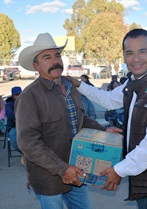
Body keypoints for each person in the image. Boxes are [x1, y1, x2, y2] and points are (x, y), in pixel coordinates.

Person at [73, 29, 147, 208]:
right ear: (124, 57)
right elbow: (109, 100)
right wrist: (79, 85)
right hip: (142, 169)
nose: (136, 59)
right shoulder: (134, 82)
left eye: (142, 51)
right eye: (129, 53)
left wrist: (119, 170)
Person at [15, 32, 121, 209]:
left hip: (77, 170)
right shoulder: (29, 97)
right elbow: (28, 143)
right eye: (47, 57)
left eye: (57, 55)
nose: (54, 61)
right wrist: (62, 169)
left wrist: (103, 131)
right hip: (49, 177)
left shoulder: (71, 87)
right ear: (36, 65)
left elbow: (81, 119)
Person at [5, 86, 23, 157]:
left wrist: (19, 119)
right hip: (14, 127)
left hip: (26, 125)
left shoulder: (27, 102)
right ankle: (25, 154)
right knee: (13, 137)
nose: (19, 96)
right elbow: (11, 115)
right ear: (13, 96)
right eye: (17, 95)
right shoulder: (9, 105)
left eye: (20, 94)